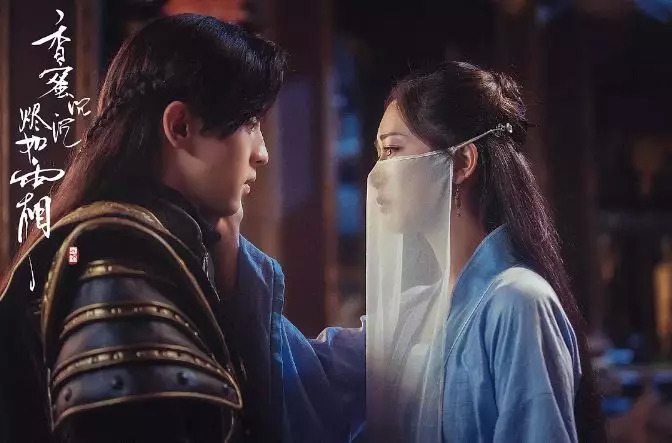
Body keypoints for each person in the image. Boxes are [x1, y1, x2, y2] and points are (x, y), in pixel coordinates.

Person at [213, 61, 607, 442]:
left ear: (462, 162)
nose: (377, 175)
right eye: (378, 154)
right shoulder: (417, 310)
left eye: (392, 150)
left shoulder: (519, 302)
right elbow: (311, 376)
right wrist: (229, 247)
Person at [0, 14, 286, 443]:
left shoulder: (140, 244)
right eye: (250, 122)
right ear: (180, 126)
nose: (261, 152)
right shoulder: (119, 257)